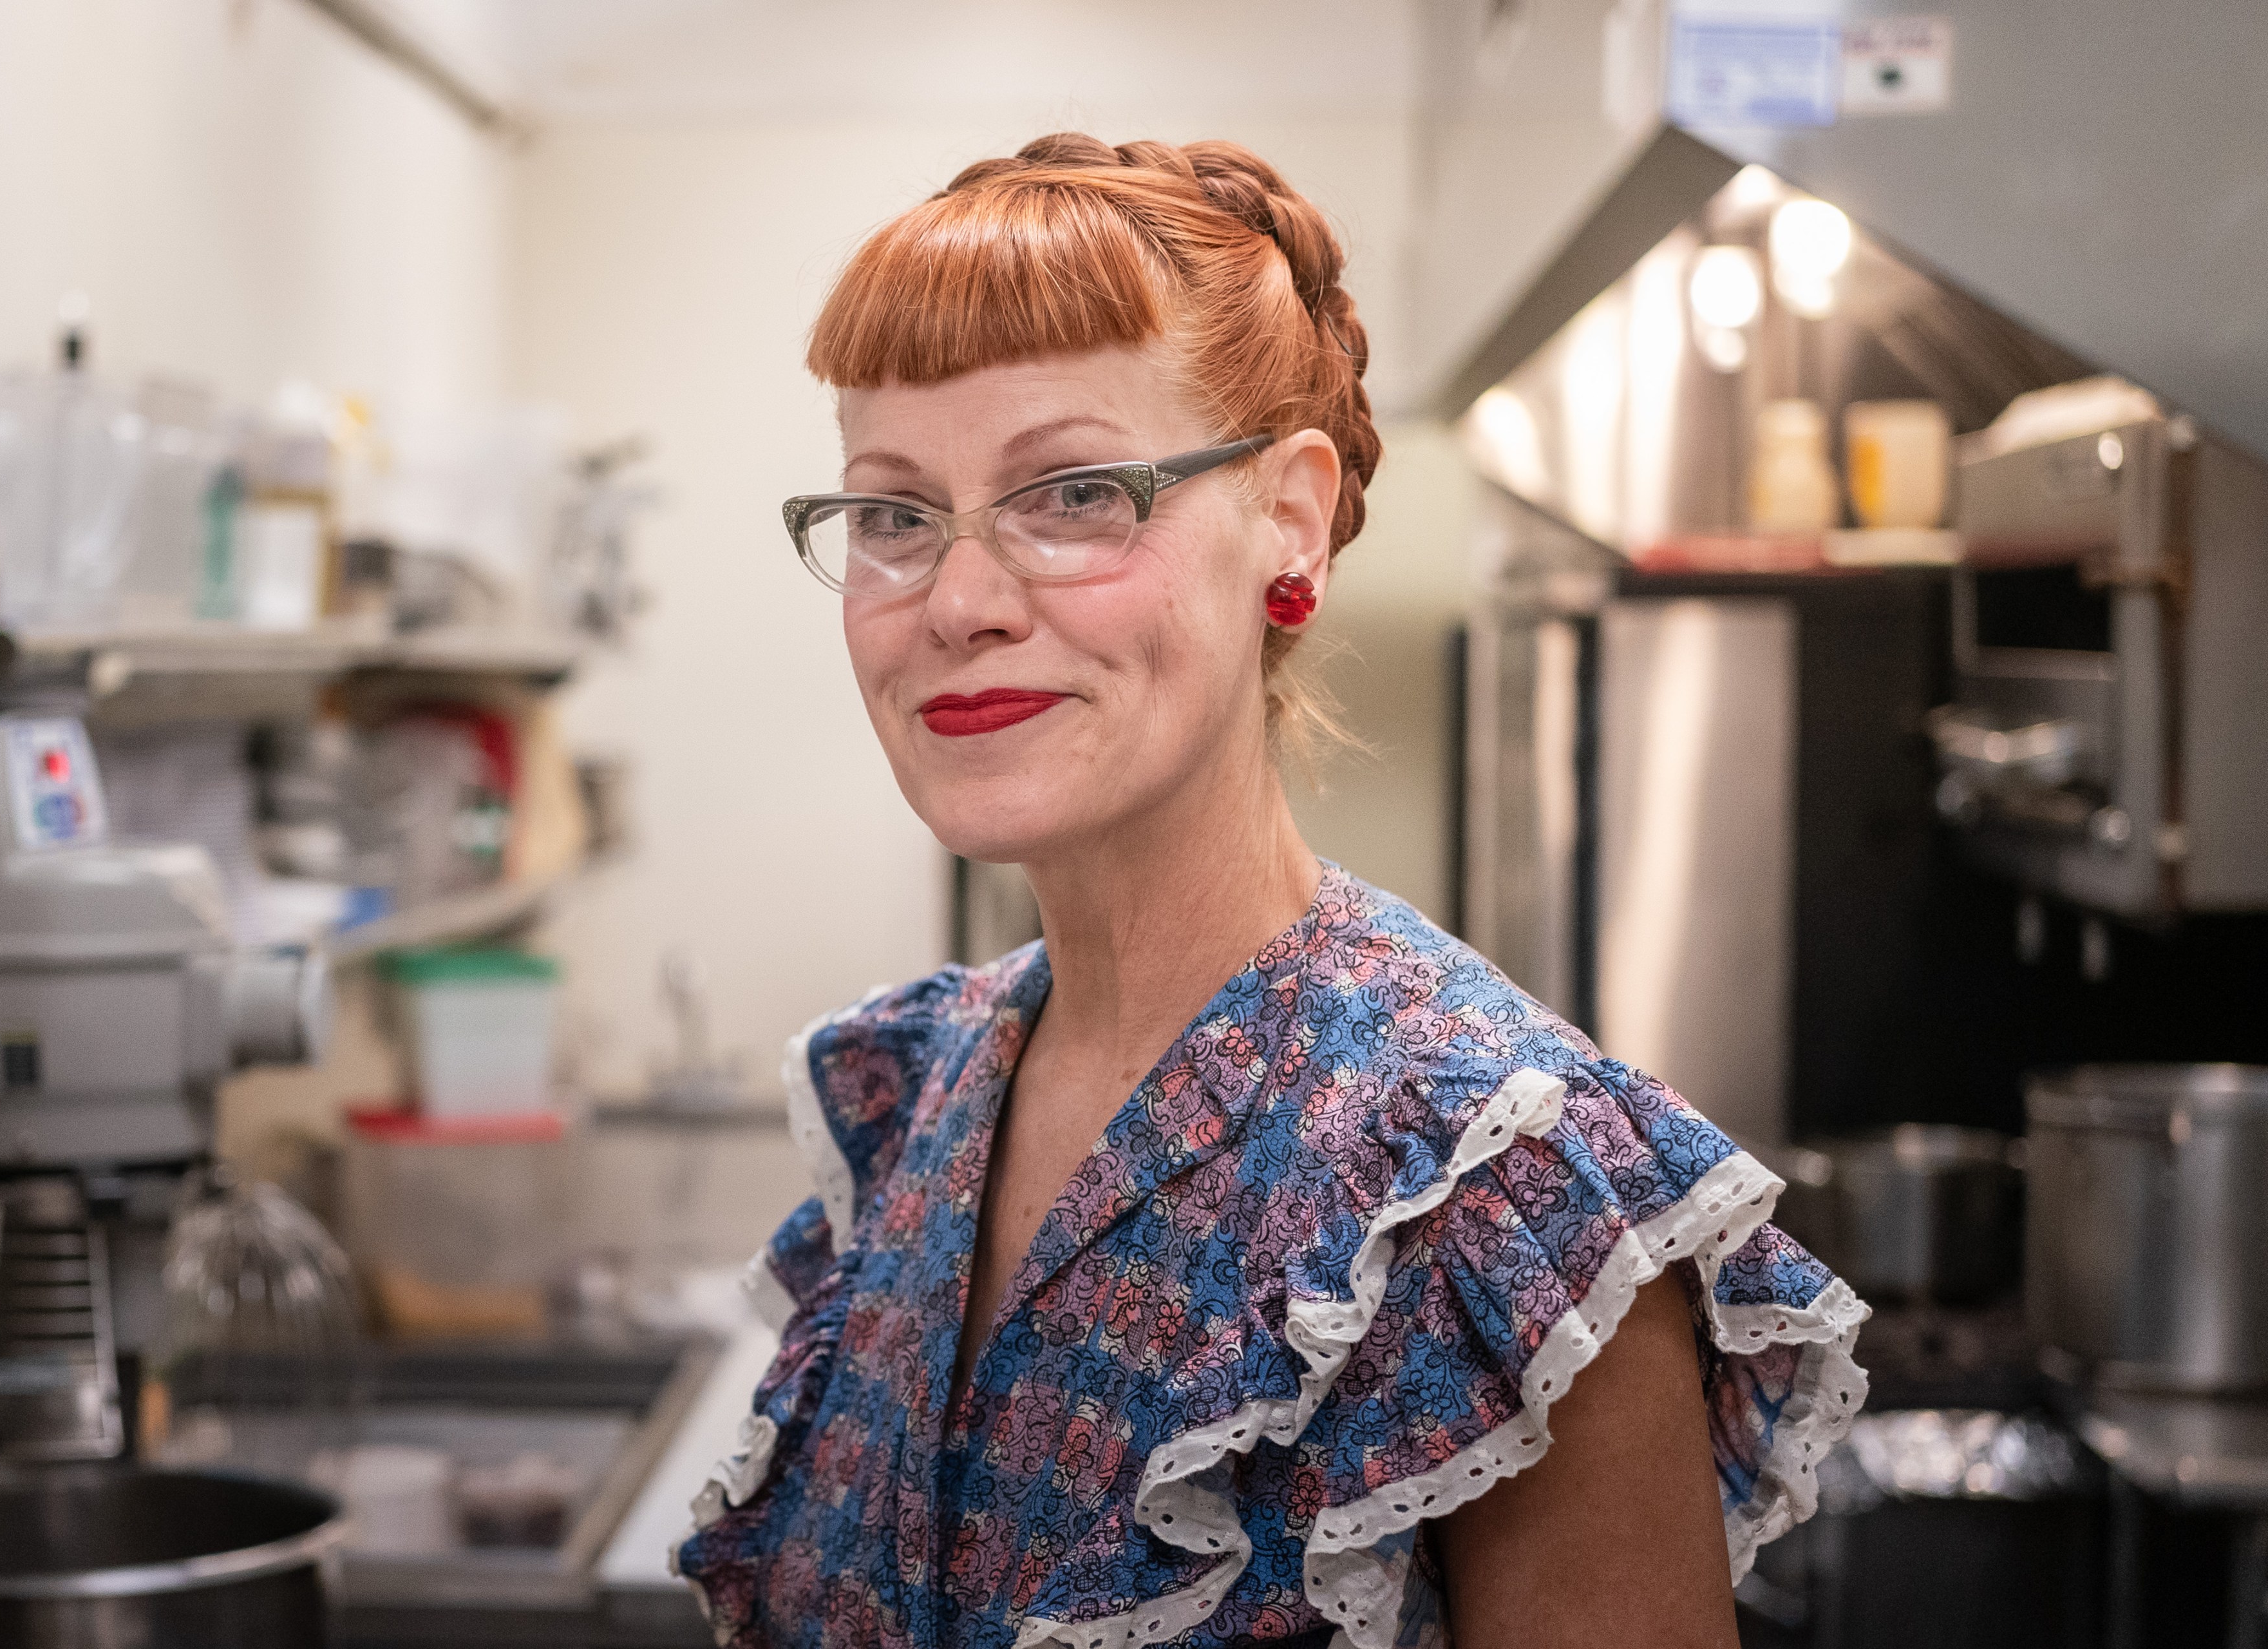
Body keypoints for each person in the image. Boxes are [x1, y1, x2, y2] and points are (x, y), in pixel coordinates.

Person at [676, 133, 1867, 1649]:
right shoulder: (910, 1092)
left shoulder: (1492, 1193)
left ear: (1289, 520)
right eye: (896, 516)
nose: (960, 603)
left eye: (1076, 493)